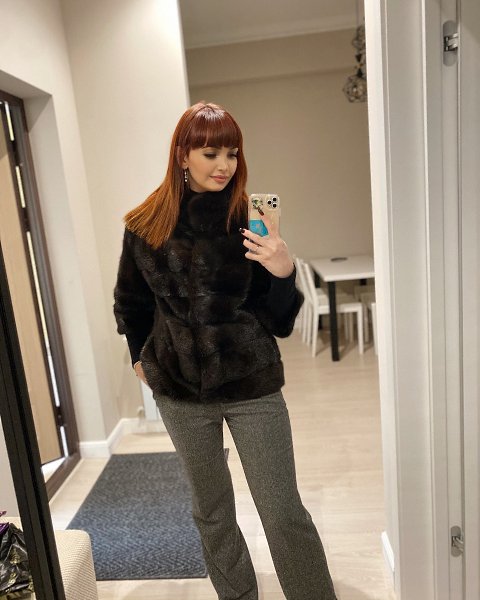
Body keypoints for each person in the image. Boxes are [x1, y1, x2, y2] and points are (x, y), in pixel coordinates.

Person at [113, 102, 337, 600]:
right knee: (211, 512)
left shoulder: (247, 222)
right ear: (182, 155)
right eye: (211, 153)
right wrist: (138, 359)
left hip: (252, 384)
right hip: (179, 392)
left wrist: (283, 271)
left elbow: (279, 322)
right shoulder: (144, 226)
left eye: (232, 153)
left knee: (282, 511)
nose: (225, 165)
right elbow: (131, 303)